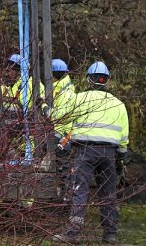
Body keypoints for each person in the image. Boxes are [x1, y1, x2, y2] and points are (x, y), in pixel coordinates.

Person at [53, 61, 129, 245]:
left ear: (88, 79)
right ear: (107, 81)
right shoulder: (118, 104)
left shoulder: (80, 99)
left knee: (80, 191)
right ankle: (110, 234)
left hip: (85, 152)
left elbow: (60, 117)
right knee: (108, 193)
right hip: (109, 154)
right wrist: (121, 157)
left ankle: (73, 233)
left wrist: (45, 108)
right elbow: (124, 136)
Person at [44, 58, 78, 200]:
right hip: (63, 135)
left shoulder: (65, 94)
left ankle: (66, 199)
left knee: (63, 169)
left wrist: (44, 108)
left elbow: (58, 117)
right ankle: (65, 198)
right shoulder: (62, 89)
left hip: (63, 137)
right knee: (62, 168)